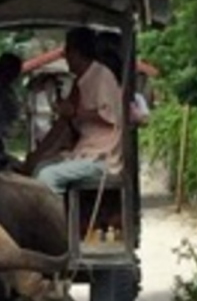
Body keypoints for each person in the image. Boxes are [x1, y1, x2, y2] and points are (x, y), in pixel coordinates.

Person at [23, 26, 124, 191]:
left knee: (48, 176)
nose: (65, 57)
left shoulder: (102, 76)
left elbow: (109, 113)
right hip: (84, 152)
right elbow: (63, 123)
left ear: (76, 53)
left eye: (67, 52)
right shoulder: (80, 83)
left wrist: (76, 112)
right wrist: (38, 154)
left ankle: (55, 217)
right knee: (40, 166)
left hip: (102, 158)